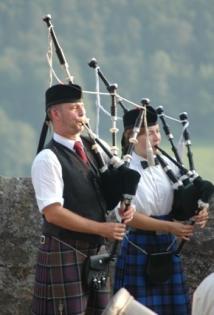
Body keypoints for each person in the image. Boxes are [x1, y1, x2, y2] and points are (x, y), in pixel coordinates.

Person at [31, 83, 135, 315]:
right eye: (74, 107)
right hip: (64, 250)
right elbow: (53, 212)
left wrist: (124, 210)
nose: (81, 112)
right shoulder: (48, 158)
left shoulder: (94, 149)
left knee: (98, 312)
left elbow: (104, 195)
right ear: (55, 113)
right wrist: (102, 228)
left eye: (81, 107)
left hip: (96, 253)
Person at [113, 106, 209, 315]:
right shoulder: (124, 171)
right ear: (132, 136)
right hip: (139, 245)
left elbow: (181, 203)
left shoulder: (169, 165)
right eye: (150, 133)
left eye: (158, 131)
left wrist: (200, 209)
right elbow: (129, 218)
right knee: (135, 309)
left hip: (166, 246)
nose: (157, 137)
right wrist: (169, 227)